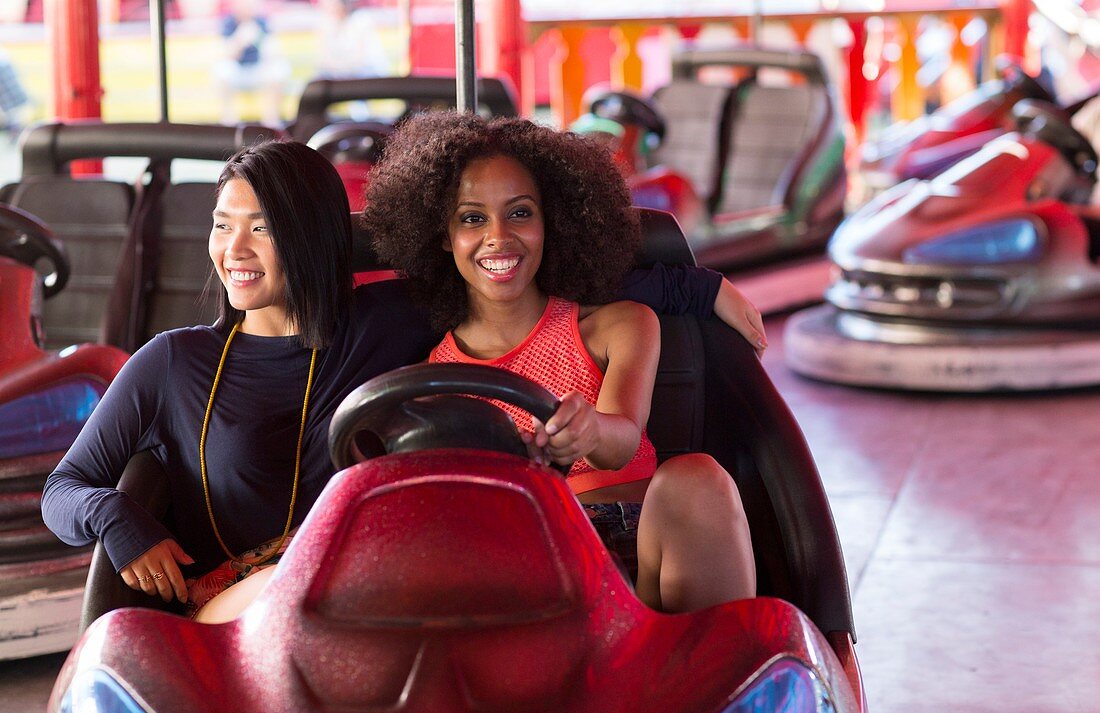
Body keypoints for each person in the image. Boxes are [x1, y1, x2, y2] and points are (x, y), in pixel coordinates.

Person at [41, 140, 764, 624]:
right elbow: (63, 490)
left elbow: (508, 267)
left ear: (313, 235)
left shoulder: (392, 321)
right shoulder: (171, 363)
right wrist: (117, 518)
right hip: (250, 606)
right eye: (222, 225)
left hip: (376, 593)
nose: (233, 250)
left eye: (261, 228)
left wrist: (691, 285)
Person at [364, 112, 757, 613]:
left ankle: (713, 670)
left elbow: (622, 440)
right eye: (472, 218)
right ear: (443, 237)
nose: (498, 236)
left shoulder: (620, 326)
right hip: (530, 573)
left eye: (520, 213)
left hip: (644, 558)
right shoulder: (432, 382)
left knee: (695, 478)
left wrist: (590, 430)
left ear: (553, 222)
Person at [214, 0, 290, 128]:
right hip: (237, 71)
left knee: (279, 70)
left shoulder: (262, 22)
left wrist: (259, 39)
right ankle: (229, 123)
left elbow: (273, 52)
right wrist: (240, 39)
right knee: (222, 70)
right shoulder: (228, 23)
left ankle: (272, 124)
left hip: (258, 70)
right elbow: (225, 55)